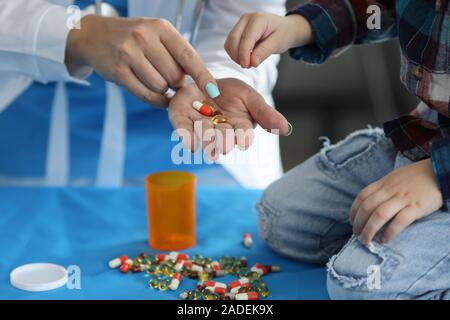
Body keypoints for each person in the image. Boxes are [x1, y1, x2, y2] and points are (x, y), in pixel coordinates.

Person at [226, 0, 450, 299]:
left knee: (359, 287)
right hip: (426, 134)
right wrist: (300, 27)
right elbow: (383, 8)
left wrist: (436, 173)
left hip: (441, 167)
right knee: (279, 219)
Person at [0, 0, 290, 188]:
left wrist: (220, 73)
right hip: (25, 146)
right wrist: (75, 36)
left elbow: (244, 11)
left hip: (195, 156)